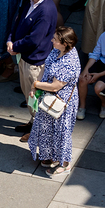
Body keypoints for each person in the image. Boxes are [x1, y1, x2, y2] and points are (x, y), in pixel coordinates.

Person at [7, 0, 59, 136]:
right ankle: (33, 121)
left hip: (35, 62)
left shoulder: (46, 11)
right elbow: (17, 21)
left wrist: (15, 46)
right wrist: (10, 39)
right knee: (27, 93)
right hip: (25, 57)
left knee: (35, 97)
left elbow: (34, 40)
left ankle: (38, 130)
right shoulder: (29, 1)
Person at [27, 26, 81, 173]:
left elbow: (56, 86)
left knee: (61, 132)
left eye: (55, 39)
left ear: (65, 43)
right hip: (48, 98)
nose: (52, 40)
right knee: (46, 128)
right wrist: (36, 86)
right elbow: (45, 69)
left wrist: (35, 84)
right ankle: (49, 156)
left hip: (61, 103)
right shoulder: (56, 51)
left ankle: (64, 164)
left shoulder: (69, 61)